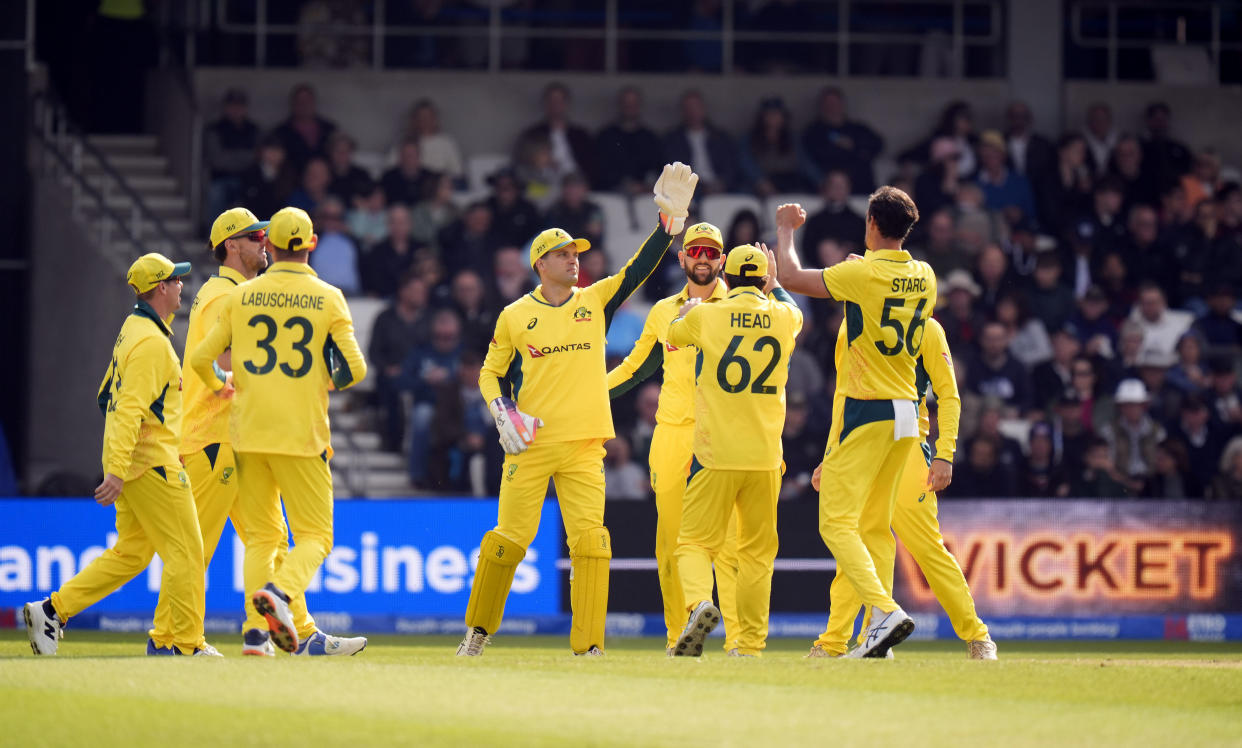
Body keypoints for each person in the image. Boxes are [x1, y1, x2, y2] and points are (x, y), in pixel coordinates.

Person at [458, 162, 699, 657]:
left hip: (586, 445)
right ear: (540, 264)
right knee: (508, 541)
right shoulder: (515, 315)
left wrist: (667, 227)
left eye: (575, 253)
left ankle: (589, 647)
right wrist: (502, 409)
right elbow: (489, 373)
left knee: (592, 544)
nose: (573, 259)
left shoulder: (596, 301)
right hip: (532, 445)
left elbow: (637, 270)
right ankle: (477, 633)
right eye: (563, 254)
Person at [172, 208, 366, 657]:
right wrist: (320, 380)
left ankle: (259, 635)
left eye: (264, 236)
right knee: (316, 537)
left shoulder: (241, 296)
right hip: (297, 432)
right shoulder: (328, 295)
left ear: (273, 244)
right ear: (312, 243)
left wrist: (229, 384)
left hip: (245, 432)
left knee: (263, 538)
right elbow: (354, 369)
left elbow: (201, 360)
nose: (260, 243)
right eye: (252, 236)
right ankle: (273, 598)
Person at [771, 190, 936, 658]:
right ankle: (874, 635)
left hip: (867, 409)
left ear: (869, 222)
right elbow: (880, 284)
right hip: (908, 412)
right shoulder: (925, 275)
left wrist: (785, 230)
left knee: (835, 524)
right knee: (874, 527)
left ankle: (884, 611)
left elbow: (789, 276)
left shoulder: (860, 272)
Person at [25, 254, 215, 656]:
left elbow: (104, 397)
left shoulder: (133, 330)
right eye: (176, 280)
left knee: (132, 554)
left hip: (139, 462)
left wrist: (122, 463)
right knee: (187, 553)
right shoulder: (151, 343)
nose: (182, 285)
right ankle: (182, 644)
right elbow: (127, 409)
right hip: (152, 465)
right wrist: (117, 467)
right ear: (160, 288)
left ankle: (53, 609)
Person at [807, 316, 996, 660]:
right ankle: (840, 642)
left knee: (925, 548)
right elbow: (844, 396)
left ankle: (977, 635)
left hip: (908, 446)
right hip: (861, 444)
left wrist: (945, 453)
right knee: (857, 539)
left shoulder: (925, 326)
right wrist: (831, 453)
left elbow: (949, 395)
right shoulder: (853, 324)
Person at [607, 221, 740, 654]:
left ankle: (741, 642)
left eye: (711, 252)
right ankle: (678, 636)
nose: (702, 258)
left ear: (722, 259)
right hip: (673, 435)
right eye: (694, 251)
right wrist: (587, 395)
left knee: (729, 544)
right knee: (669, 542)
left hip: (724, 436)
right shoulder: (663, 310)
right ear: (681, 258)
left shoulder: (740, 307)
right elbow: (635, 366)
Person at [666, 243, 802, 657]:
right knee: (757, 556)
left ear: (729, 275)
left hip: (715, 453)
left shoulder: (709, 314)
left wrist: (688, 311)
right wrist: (776, 284)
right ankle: (750, 646)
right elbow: (791, 308)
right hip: (764, 458)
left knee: (693, 543)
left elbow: (672, 335)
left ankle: (699, 603)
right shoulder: (784, 316)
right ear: (763, 279)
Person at [800, 86, 882, 194]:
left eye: (835, 103)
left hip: (860, 185)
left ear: (842, 105)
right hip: (827, 185)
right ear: (821, 106)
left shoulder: (857, 129)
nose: (831, 107)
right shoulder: (813, 132)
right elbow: (810, 158)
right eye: (828, 104)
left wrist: (854, 145)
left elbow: (878, 144)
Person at [596, 86, 665, 195]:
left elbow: (659, 169)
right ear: (620, 105)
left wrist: (644, 187)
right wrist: (624, 185)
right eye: (626, 103)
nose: (629, 107)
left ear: (639, 106)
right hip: (613, 194)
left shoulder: (650, 138)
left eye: (633, 104)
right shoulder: (605, 136)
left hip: (646, 194)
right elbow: (600, 171)